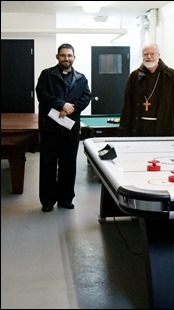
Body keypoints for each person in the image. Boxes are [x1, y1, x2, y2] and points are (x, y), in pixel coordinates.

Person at [36, 43, 91, 212]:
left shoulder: (81, 78)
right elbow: (42, 94)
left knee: (68, 166)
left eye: (69, 55)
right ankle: (47, 201)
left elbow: (86, 96)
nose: (66, 58)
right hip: (49, 129)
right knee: (48, 166)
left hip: (70, 129)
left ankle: (66, 198)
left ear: (74, 57)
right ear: (57, 57)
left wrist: (71, 108)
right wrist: (62, 104)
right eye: (63, 55)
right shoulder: (46, 75)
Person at [118, 42, 174, 137]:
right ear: (142, 56)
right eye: (145, 54)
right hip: (139, 130)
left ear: (158, 55)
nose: (149, 57)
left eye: (152, 54)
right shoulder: (134, 76)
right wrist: (123, 131)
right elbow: (127, 107)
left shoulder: (171, 75)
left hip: (164, 129)